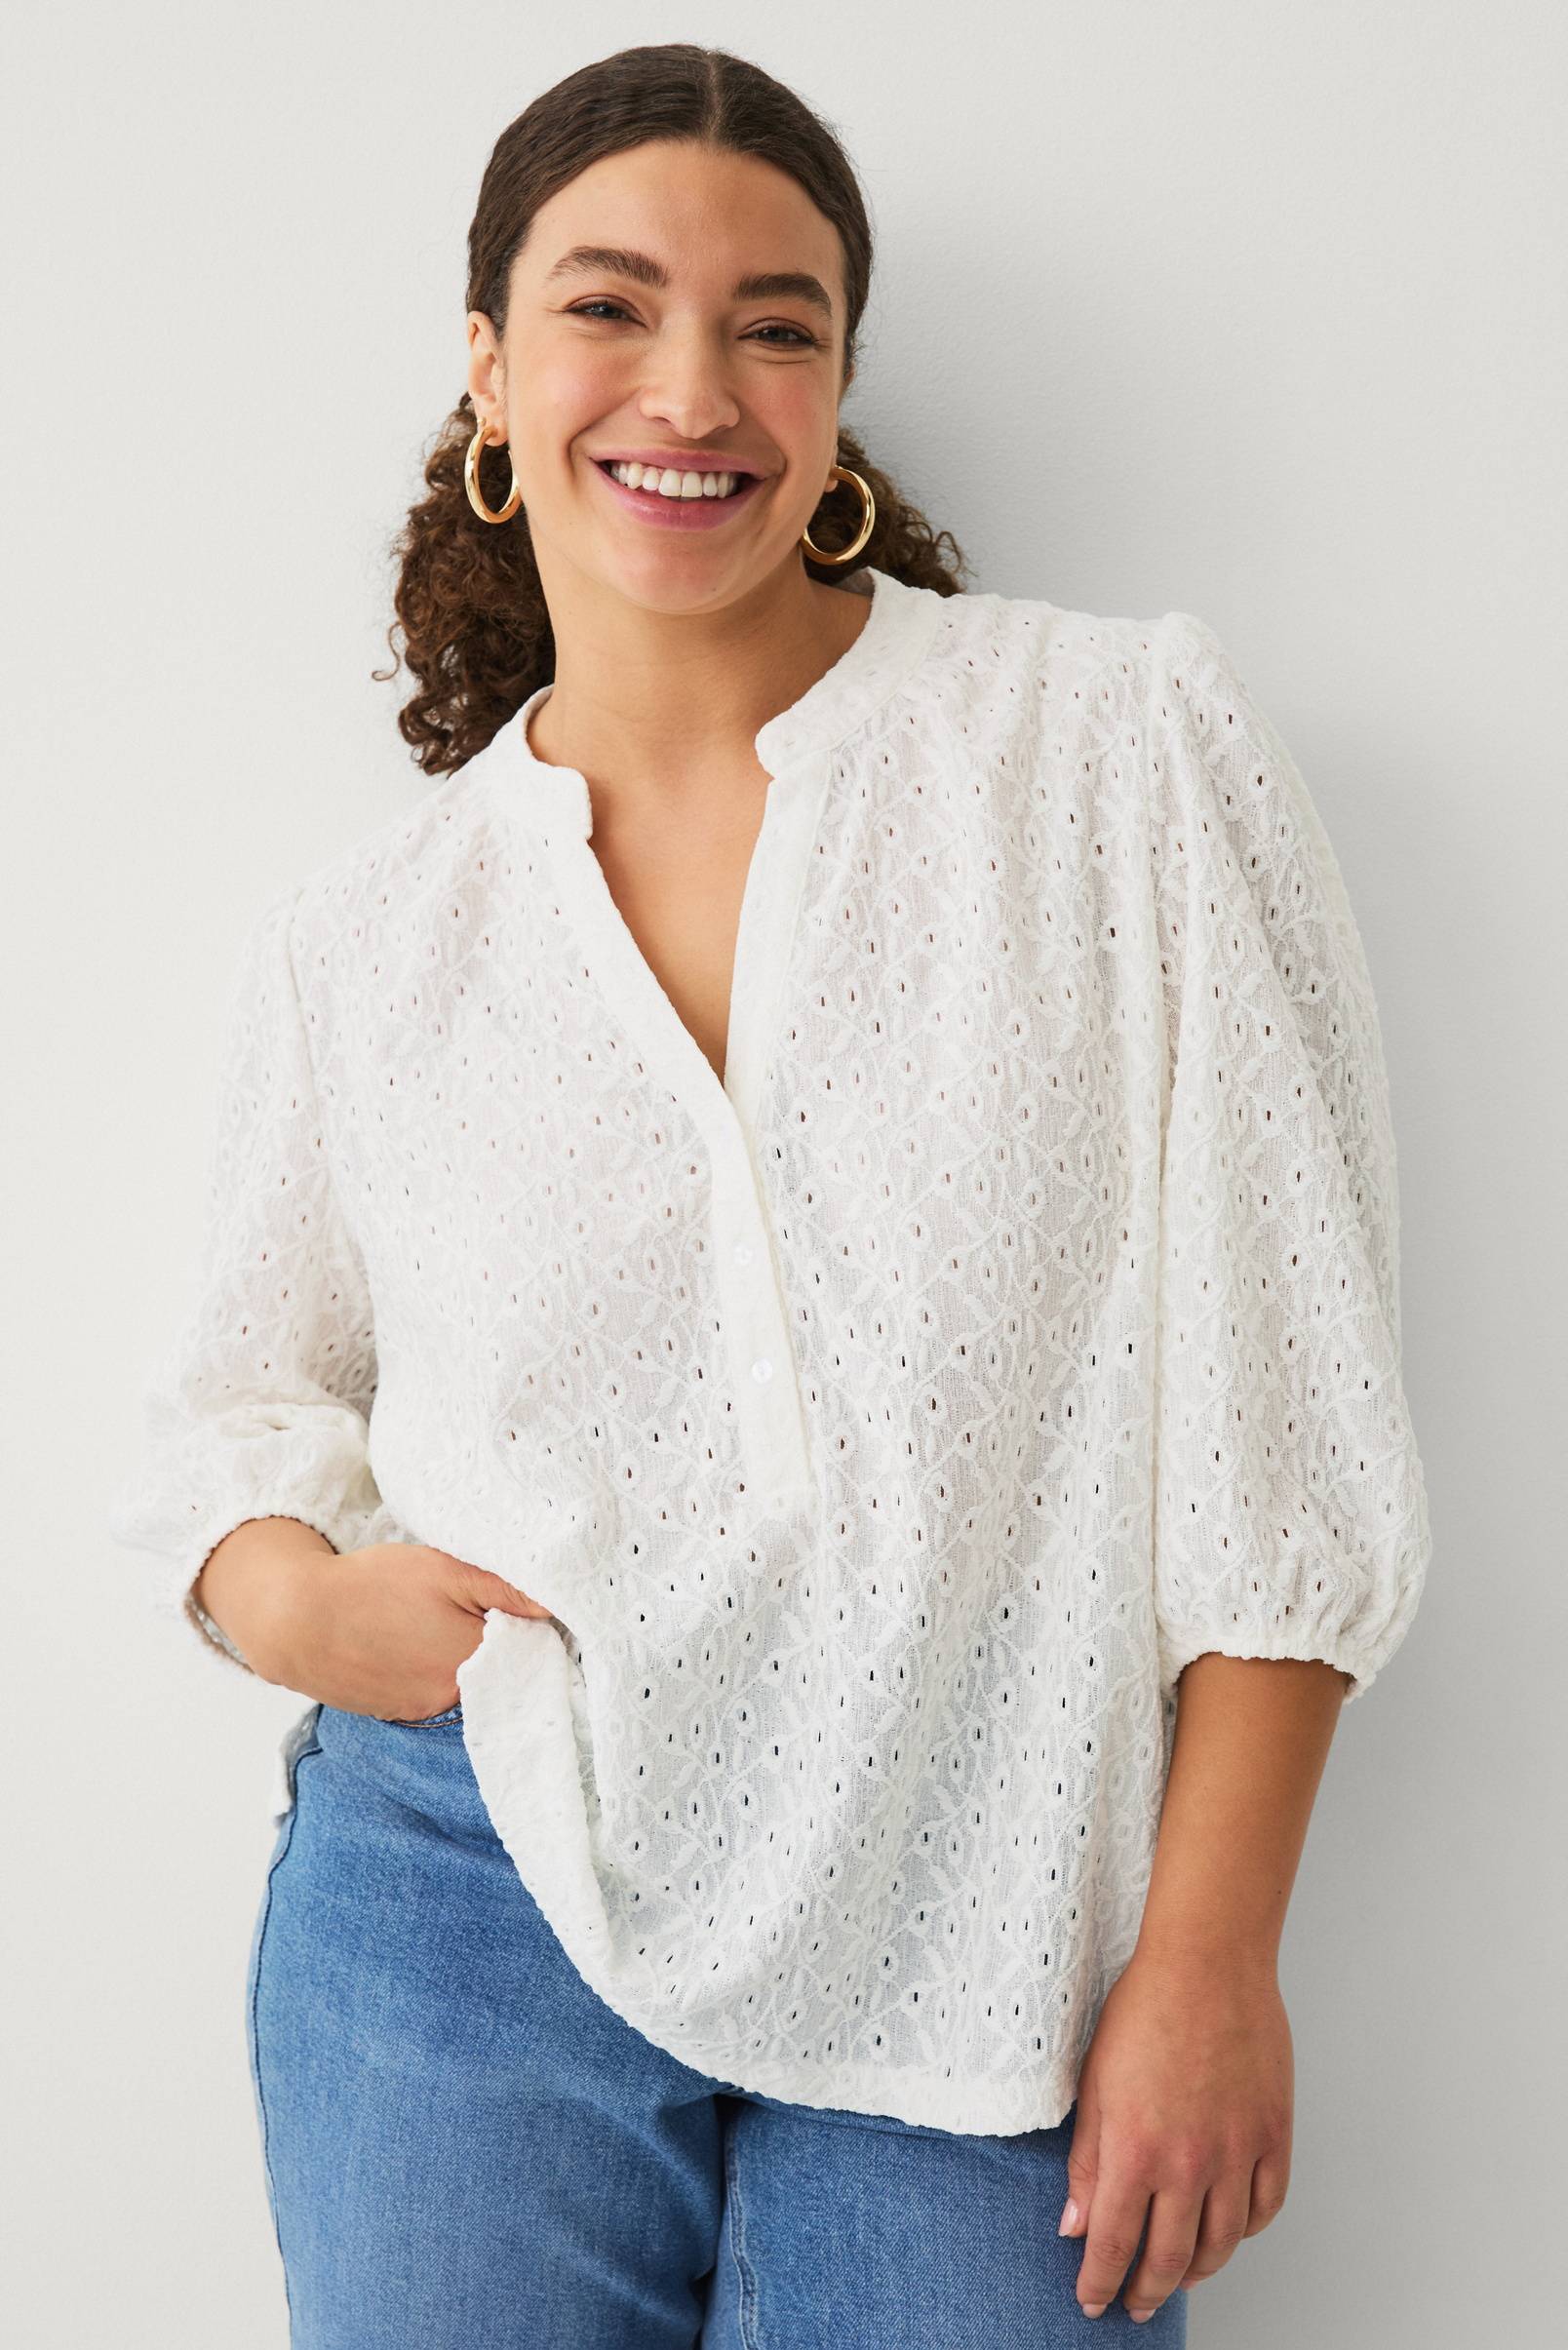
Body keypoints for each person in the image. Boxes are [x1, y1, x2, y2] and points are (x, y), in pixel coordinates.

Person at [108, 41, 1432, 2349]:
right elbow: (226, 1410)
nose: (693, 388)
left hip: (998, 1920)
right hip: (468, 1896)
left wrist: (1214, 1953)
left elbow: (1291, 1421)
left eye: (776, 323)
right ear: (492, 373)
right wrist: (300, 1607)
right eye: (609, 307)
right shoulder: (372, 935)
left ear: (834, 397)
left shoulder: (1112, 751)